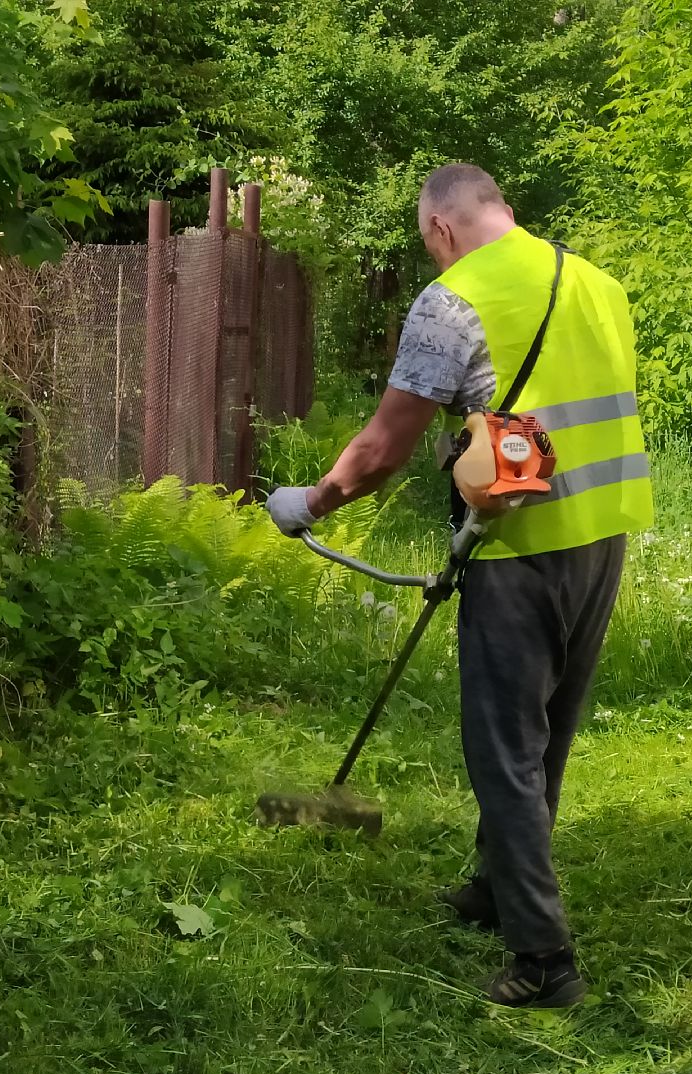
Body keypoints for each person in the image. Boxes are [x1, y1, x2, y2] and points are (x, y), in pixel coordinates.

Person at [266, 163, 652, 1008]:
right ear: (501, 211)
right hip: (603, 533)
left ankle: (545, 962)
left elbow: (380, 450)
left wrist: (310, 502)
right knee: (544, 739)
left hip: (522, 553)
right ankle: (495, 887)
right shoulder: (597, 282)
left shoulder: (453, 300)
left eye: (425, 244)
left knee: (503, 755)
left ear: (441, 228)